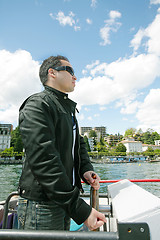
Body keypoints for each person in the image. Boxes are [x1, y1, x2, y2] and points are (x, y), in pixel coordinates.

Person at [17, 55, 106, 231]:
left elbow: (78, 144)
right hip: (42, 205)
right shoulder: (37, 105)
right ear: (52, 73)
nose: (75, 77)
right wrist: (80, 209)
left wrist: (86, 169)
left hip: (64, 202)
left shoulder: (68, 109)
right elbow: (44, 160)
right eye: (70, 71)